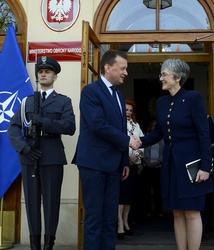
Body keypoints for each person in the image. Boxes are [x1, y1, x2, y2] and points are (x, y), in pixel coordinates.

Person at [136, 59, 213, 250]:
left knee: (192, 212)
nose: (160, 78)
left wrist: (206, 166)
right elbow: (158, 133)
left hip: (191, 164)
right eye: (161, 74)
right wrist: (140, 141)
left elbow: (204, 134)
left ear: (177, 78)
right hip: (171, 163)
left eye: (164, 74)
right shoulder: (162, 102)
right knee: (177, 212)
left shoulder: (194, 98)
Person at [72, 50, 139, 250]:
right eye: (123, 68)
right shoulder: (90, 91)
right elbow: (97, 125)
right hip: (93, 164)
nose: (126, 72)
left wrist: (124, 161)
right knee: (94, 219)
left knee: (110, 218)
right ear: (108, 68)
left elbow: (118, 128)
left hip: (114, 166)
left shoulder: (119, 95)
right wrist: (128, 140)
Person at [7, 56, 76, 250]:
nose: (43, 74)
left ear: (55, 76)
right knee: (31, 203)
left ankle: (48, 245)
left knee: (51, 202)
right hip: (29, 157)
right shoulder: (27, 101)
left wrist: (45, 122)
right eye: (40, 72)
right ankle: (35, 245)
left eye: (47, 72)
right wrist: (24, 148)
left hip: (52, 156)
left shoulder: (63, 101)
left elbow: (70, 126)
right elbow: (13, 128)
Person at [117, 99, 144, 239]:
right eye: (126, 109)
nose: (128, 112)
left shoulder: (136, 125)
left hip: (133, 165)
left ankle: (126, 222)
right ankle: (119, 224)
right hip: (122, 164)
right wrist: (127, 158)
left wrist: (137, 156)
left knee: (129, 196)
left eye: (130, 110)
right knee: (120, 196)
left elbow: (142, 143)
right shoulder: (117, 124)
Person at [141, 120, 164, 220]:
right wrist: (147, 163)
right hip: (147, 167)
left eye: (156, 126)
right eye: (153, 126)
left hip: (158, 168)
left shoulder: (162, 139)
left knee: (158, 190)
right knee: (146, 191)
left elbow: (164, 152)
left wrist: (158, 162)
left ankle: (159, 211)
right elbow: (143, 151)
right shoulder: (145, 137)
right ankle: (147, 211)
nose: (154, 128)